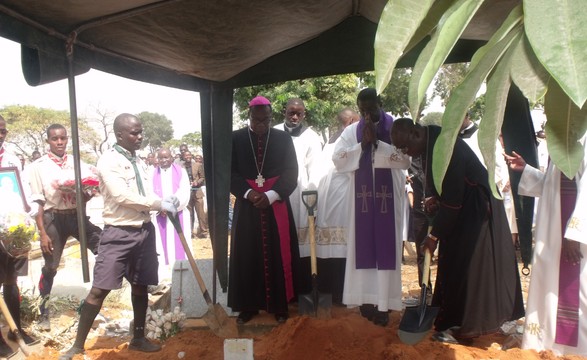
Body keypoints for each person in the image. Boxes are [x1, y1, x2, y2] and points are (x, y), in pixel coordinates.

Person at [391, 118, 524, 343]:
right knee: (452, 262)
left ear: (415, 134)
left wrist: (433, 237)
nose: (406, 153)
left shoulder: (445, 146)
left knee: (469, 267)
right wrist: (435, 198)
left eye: (405, 147)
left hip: (477, 210)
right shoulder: (430, 142)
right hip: (463, 208)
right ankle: (451, 319)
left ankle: (466, 328)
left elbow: (453, 201)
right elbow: (445, 190)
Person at [60, 113, 179, 359]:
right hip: (118, 233)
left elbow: (144, 191)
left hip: (144, 231)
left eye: (140, 131)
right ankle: (77, 345)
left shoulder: (139, 161)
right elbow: (121, 196)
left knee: (141, 284)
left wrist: (166, 199)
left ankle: (138, 338)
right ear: (120, 135)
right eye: (134, 133)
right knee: (99, 289)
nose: (140, 136)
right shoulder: (109, 162)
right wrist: (158, 203)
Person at [332, 88, 410, 326]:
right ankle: (365, 301)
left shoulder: (396, 127)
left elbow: (406, 159)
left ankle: (384, 304)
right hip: (362, 201)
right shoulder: (350, 132)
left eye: (371, 108)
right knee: (362, 247)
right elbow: (338, 160)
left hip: (389, 199)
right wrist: (362, 146)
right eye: (362, 110)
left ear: (381, 103)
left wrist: (379, 144)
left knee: (387, 249)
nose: (367, 115)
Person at [506, 138, 586, 356]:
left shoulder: (583, 136)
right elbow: (553, 185)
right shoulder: (562, 136)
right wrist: (527, 170)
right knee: (549, 285)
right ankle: (547, 343)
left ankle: (578, 349)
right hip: (551, 232)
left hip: (572, 233)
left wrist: (573, 233)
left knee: (576, 291)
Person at [229, 96, 300, 324]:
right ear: (249, 117)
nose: (261, 125)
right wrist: (249, 193)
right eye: (257, 120)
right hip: (247, 204)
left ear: (271, 118)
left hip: (275, 202)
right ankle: (248, 306)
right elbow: (229, 173)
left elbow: (292, 172)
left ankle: (281, 305)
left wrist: (271, 195)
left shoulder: (283, 138)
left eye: (266, 120)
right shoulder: (236, 138)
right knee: (247, 255)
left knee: (279, 254)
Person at [28, 123, 102, 331]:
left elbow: (85, 193)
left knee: (105, 245)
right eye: (55, 139)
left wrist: (87, 193)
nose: (59, 142)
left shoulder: (76, 162)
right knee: (51, 267)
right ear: (48, 141)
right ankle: (44, 313)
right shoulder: (38, 167)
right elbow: (38, 203)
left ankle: (99, 299)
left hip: (76, 216)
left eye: (63, 138)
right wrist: (42, 233)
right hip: (54, 219)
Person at [0, 115, 38, 358]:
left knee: (11, 281)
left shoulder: (12, 158)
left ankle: (16, 329)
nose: (0, 134)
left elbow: (22, 187)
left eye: (3, 130)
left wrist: (29, 206)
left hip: (11, 231)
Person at [313, 108, 358, 303]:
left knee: (331, 248)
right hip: (344, 197)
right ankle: (343, 293)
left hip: (327, 199)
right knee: (344, 246)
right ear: (349, 122)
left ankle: (329, 292)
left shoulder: (330, 142)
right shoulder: (351, 142)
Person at [274, 98, 323, 254]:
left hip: (300, 193)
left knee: (299, 242)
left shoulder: (312, 137)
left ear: (304, 115)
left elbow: (315, 172)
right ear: (284, 112)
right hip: (276, 190)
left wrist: (313, 206)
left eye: (298, 114)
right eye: (291, 113)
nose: (294, 117)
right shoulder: (273, 132)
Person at [151, 148, 192, 283]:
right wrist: (160, 205)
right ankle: (163, 275)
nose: (163, 161)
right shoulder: (152, 173)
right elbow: (149, 192)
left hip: (178, 214)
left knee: (179, 245)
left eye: (166, 157)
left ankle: (182, 272)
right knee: (161, 246)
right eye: (161, 158)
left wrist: (172, 206)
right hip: (160, 215)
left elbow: (184, 191)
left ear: (172, 157)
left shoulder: (181, 171)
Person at [184, 151, 208, 238]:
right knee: (189, 214)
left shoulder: (197, 165)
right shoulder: (181, 167)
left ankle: (204, 232)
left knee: (201, 214)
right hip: (187, 194)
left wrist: (197, 182)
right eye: (186, 155)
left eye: (189, 155)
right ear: (183, 157)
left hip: (197, 192)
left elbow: (202, 177)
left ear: (191, 156)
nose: (188, 156)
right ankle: (190, 233)